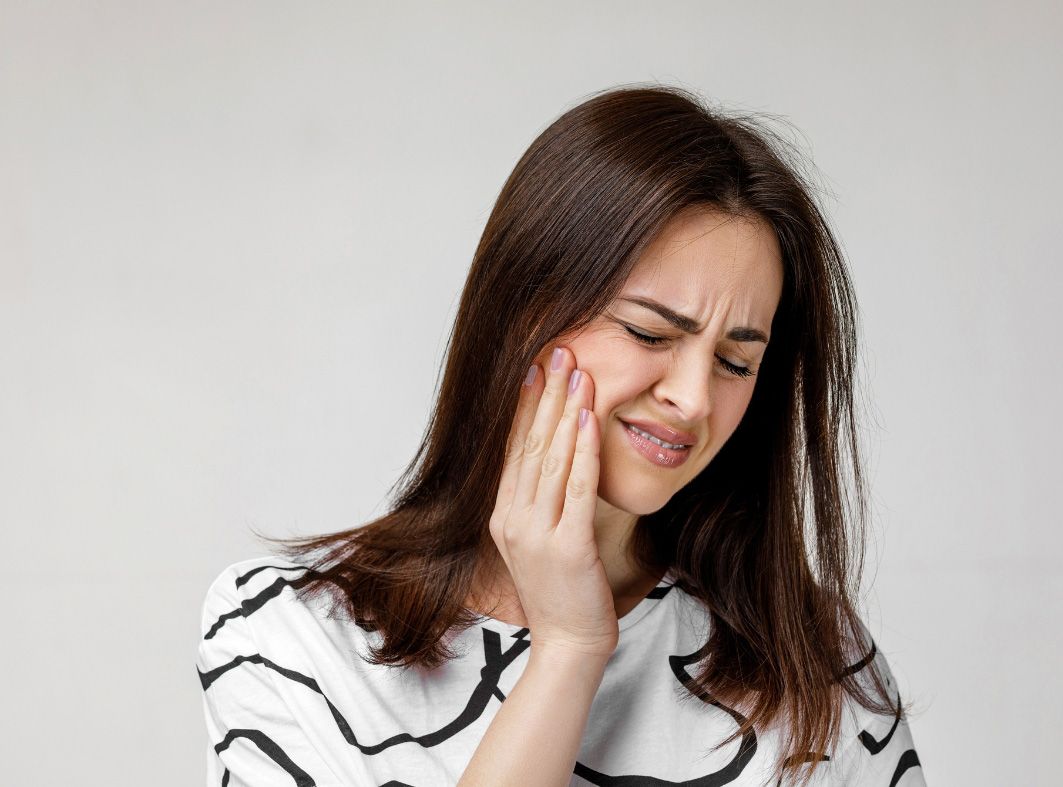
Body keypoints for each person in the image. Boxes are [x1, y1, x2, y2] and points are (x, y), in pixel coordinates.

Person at [196, 84, 926, 786]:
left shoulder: (816, 660)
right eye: (647, 331)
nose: (692, 397)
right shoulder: (291, 638)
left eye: (736, 361)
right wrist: (569, 650)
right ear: (521, 313)